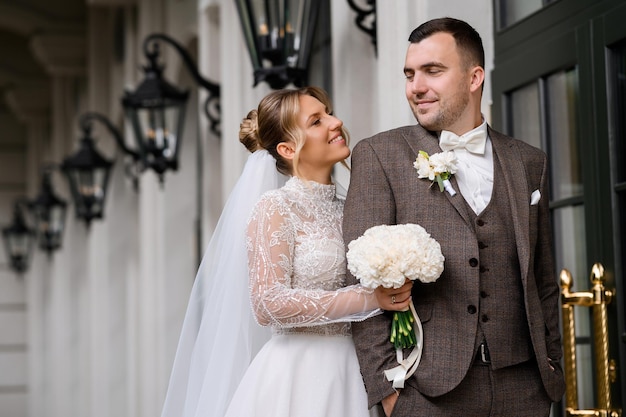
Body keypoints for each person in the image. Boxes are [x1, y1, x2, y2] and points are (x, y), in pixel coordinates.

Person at [343, 17, 566, 417]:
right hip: (427, 391)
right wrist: (388, 389)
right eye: (410, 74)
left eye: (433, 71)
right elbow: (360, 281)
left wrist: (551, 370)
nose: (416, 87)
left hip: (524, 388)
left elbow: (543, 279)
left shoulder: (529, 161)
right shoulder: (380, 155)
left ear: (474, 76)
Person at [160, 86, 412, 417]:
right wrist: (370, 298)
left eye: (330, 113)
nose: (335, 123)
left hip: (353, 371)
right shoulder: (275, 208)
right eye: (317, 121)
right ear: (288, 148)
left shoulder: (352, 207)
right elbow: (269, 304)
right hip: (298, 375)